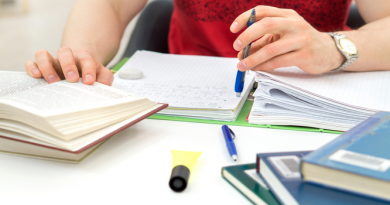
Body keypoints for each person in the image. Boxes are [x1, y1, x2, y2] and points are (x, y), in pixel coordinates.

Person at [24, 0, 390, 86]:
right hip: (187, 104)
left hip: (312, 98)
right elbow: (111, 5)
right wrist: (81, 55)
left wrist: (334, 47)